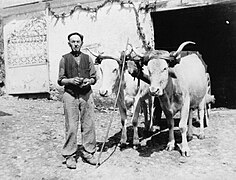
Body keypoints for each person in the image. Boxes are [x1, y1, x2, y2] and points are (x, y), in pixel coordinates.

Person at [58, 32, 97, 169]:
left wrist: (89, 81)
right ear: (69, 44)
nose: (75, 44)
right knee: (72, 125)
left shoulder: (88, 59)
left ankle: (89, 153)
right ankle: (70, 155)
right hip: (70, 95)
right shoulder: (64, 59)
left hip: (86, 94)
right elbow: (60, 80)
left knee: (88, 124)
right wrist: (70, 80)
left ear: (81, 43)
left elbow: (94, 78)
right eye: (73, 42)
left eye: (78, 41)